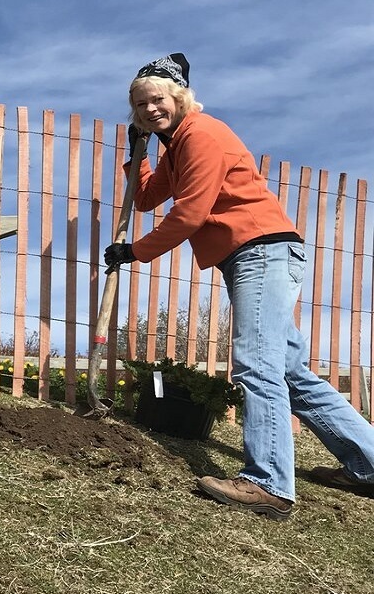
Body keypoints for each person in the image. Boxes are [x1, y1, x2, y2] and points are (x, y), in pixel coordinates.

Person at [104, 53, 374, 520]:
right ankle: (369, 466)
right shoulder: (175, 147)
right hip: (251, 256)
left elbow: (188, 214)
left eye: (157, 100)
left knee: (256, 363)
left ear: (180, 98)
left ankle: (268, 483)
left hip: (262, 251)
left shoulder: (203, 135)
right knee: (291, 372)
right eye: (139, 104)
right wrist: (137, 154)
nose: (149, 110)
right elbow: (148, 197)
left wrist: (136, 251)